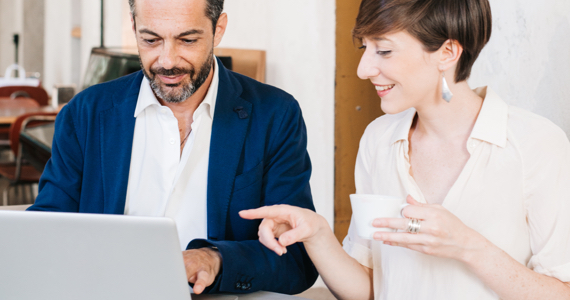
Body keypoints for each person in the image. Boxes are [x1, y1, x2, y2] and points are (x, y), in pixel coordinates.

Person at [240, 0, 570, 299]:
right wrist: (316, 234)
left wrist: (469, 247)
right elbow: (370, 290)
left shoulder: (536, 144)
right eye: (364, 47)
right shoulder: (379, 140)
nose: (363, 69)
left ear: (447, 52)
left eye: (383, 50)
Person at [28, 0, 317, 295]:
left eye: (187, 40)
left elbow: (297, 261)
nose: (167, 61)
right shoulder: (85, 113)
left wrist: (216, 260)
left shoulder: (275, 115)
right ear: (133, 27)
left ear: (218, 30)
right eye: (151, 40)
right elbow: (46, 233)